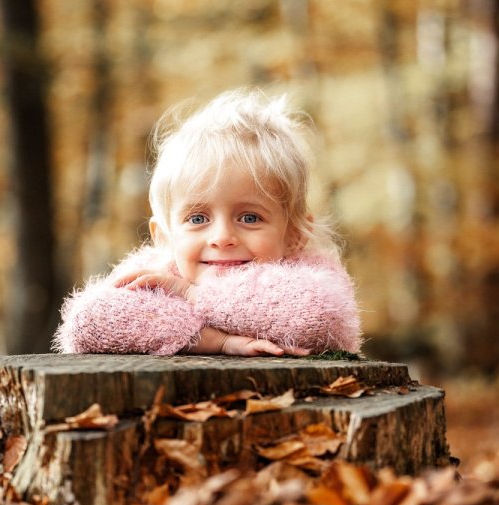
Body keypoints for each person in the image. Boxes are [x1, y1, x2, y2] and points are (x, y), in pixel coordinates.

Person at [53, 89, 362, 357]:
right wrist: (215, 340)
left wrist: (194, 295)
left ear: (294, 234)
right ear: (164, 236)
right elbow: (89, 322)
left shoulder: (308, 273)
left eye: (249, 217)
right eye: (198, 218)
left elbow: (316, 317)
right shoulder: (158, 270)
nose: (222, 237)